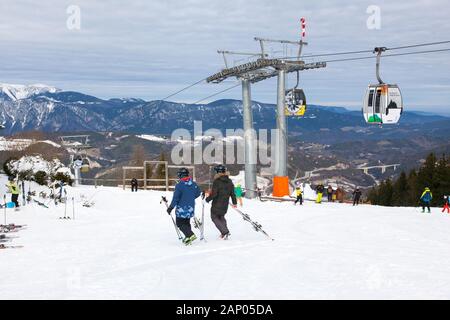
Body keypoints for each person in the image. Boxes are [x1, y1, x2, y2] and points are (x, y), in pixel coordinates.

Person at [167, 168, 201, 245]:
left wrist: (171, 207)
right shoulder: (193, 184)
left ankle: (190, 234)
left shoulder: (179, 185)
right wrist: (190, 197)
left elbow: (176, 198)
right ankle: (188, 238)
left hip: (182, 208)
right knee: (186, 222)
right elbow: (198, 193)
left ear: (180, 175)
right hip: (191, 207)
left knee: (179, 223)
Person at [205, 164, 237, 240]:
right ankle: (224, 232)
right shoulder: (229, 181)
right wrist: (234, 202)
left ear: (218, 172)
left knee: (214, 217)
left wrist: (207, 199)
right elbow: (233, 193)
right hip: (225, 205)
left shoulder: (217, 181)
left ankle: (225, 232)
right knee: (221, 217)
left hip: (217, 203)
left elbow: (214, 194)